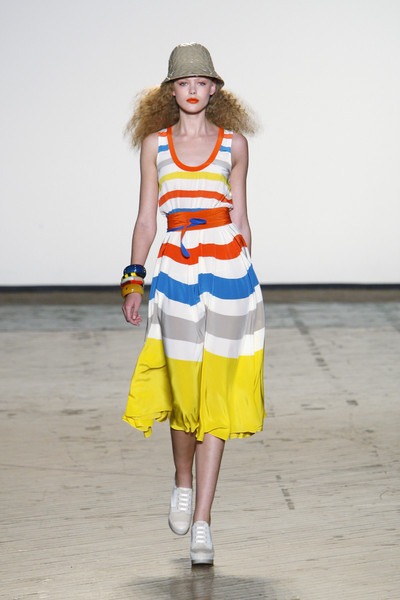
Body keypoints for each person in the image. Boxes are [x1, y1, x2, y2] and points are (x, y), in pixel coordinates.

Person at [121, 42, 265, 565]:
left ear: (214, 89)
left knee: (217, 396)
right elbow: (146, 218)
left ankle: (203, 520)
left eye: (201, 82)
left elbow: (241, 217)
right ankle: (182, 480)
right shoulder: (155, 146)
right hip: (177, 275)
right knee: (185, 391)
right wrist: (133, 279)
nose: (193, 90)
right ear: (171, 91)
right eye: (184, 83)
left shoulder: (235, 145)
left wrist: (248, 277)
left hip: (229, 275)